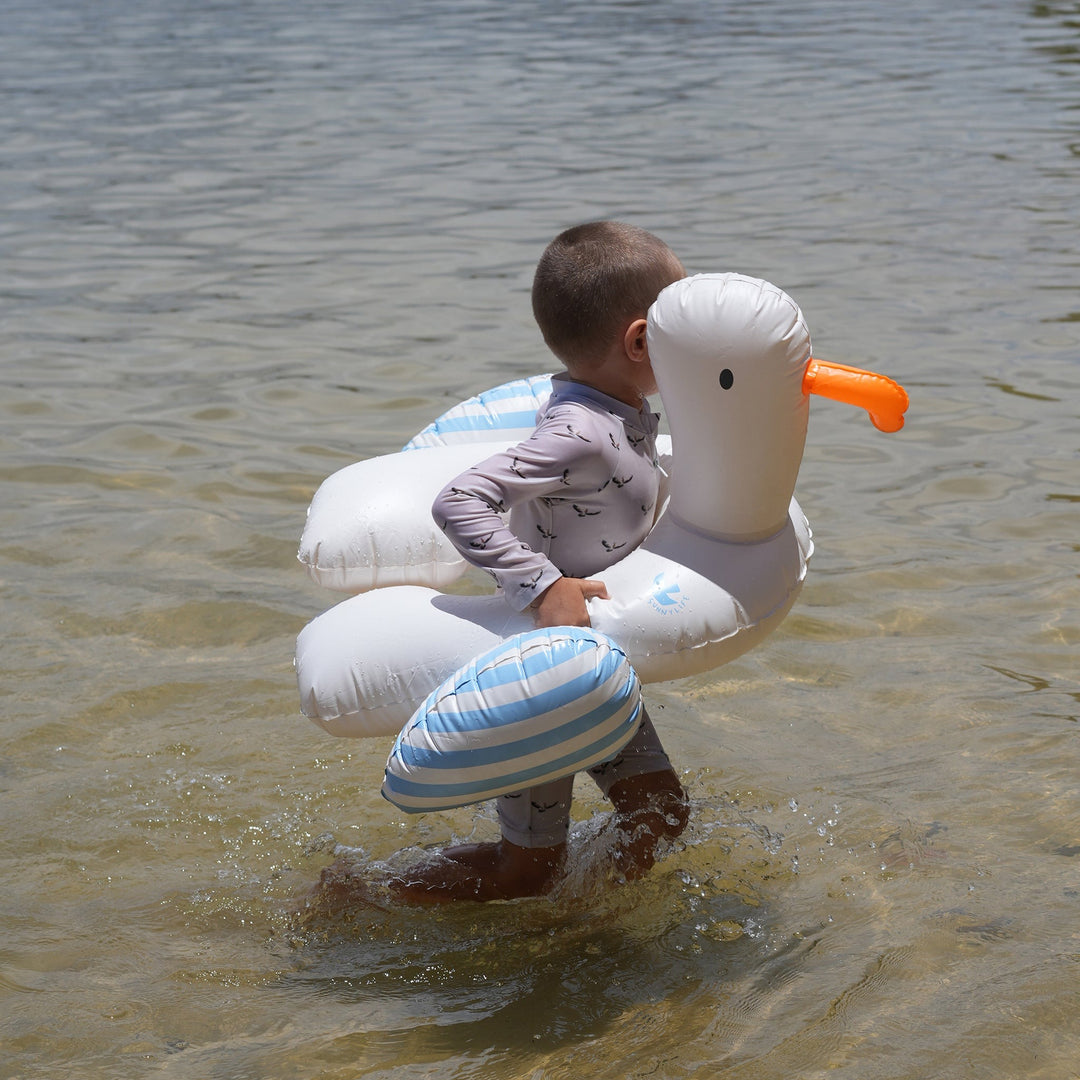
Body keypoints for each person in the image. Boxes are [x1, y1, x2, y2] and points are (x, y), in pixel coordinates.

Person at [383, 221, 690, 903]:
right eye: (683, 330)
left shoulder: (625, 408)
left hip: (589, 665)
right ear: (640, 341)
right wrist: (543, 585)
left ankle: (583, 926)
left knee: (661, 816)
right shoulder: (578, 431)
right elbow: (459, 500)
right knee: (526, 872)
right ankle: (361, 896)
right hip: (541, 676)